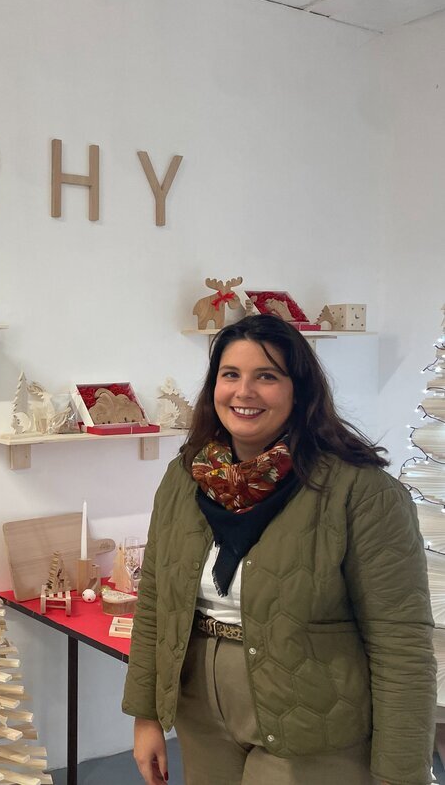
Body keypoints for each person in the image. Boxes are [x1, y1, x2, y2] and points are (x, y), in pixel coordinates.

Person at [122, 314, 435, 785]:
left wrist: (401, 773)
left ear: (299, 391)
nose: (244, 392)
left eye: (266, 376)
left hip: (311, 720)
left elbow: (401, 642)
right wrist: (145, 715)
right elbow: (155, 603)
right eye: (231, 374)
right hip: (199, 711)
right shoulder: (186, 478)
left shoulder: (361, 492)